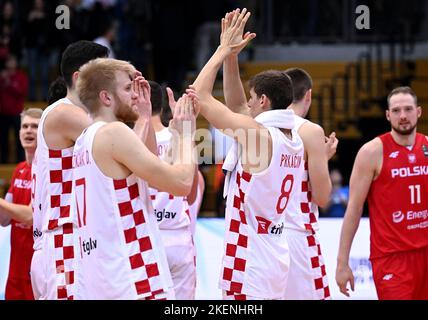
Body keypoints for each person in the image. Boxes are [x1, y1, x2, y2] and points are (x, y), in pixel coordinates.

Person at [219, 12, 337, 299]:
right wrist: (322, 160)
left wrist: (228, 56)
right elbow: (323, 198)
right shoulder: (308, 132)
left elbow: (234, 105)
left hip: (257, 238)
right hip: (295, 235)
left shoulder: (257, 125)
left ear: (264, 98)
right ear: (307, 95)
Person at [191, 9, 305, 300]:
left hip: (249, 257)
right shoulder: (290, 136)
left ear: (264, 101)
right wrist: (232, 58)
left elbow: (200, 95)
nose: (248, 103)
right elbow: (239, 107)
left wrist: (220, 50)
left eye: (254, 98)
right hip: (274, 253)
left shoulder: (258, 135)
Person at [73, 58, 197, 299]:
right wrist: (186, 133)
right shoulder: (114, 132)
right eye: (128, 89)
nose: (135, 95)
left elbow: (144, 171)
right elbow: (181, 184)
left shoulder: (84, 139)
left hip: (101, 274)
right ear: (106, 98)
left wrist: (144, 117)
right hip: (132, 273)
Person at [31, 40, 108, 300]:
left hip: (74, 236)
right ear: (79, 77)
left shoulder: (79, 114)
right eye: (104, 71)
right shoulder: (64, 113)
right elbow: (118, 141)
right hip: (61, 237)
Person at [336, 86, 428, 300]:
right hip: (391, 258)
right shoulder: (371, 152)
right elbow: (354, 208)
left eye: (408, 109)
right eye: (396, 111)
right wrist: (342, 263)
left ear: (419, 112)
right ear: (387, 115)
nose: (403, 116)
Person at [148, 80, 198, 299]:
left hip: (147, 237)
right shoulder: (180, 138)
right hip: (178, 237)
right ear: (162, 107)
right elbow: (193, 193)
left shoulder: (128, 139)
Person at [0, 108, 42, 300]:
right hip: (15, 269)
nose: (28, 131)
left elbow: (32, 216)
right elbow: (4, 220)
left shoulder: (46, 170)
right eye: (24, 126)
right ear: (18, 133)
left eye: (34, 126)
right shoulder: (18, 169)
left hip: (37, 268)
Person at [0, 54, 28, 163]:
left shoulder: (21, 76)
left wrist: (9, 84)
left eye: (12, 61)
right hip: (3, 113)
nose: (10, 63)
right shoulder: (1, 76)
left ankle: (20, 162)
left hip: (16, 113)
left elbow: (22, 92)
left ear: (16, 64)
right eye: (8, 61)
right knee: (3, 140)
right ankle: (3, 163)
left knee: (19, 140)